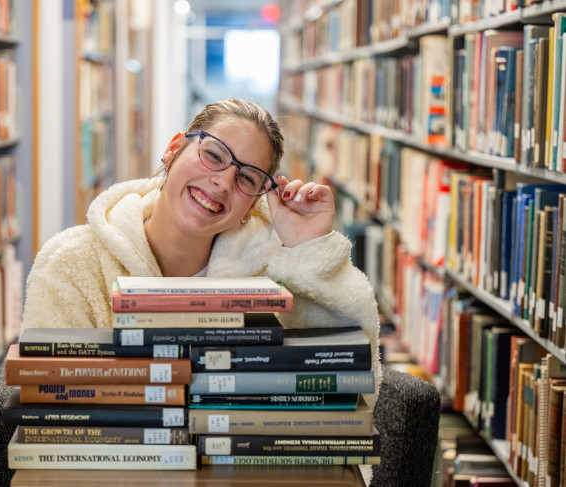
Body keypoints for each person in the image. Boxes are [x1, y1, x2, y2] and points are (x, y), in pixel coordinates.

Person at [21, 98, 380, 403]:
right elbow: (52, 405)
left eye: (247, 178)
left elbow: (352, 390)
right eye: (213, 155)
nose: (223, 182)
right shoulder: (71, 263)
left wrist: (309, 250)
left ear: (253, 205)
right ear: (173, 149)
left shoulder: (273, 271)